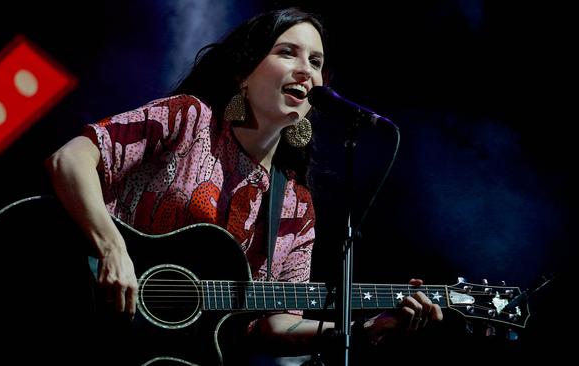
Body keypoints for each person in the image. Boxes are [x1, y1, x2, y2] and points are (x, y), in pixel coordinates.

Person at [46, 7, 443, 365]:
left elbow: (276, 325)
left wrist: (362, 329)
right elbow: (70, 158)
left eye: (316, 61)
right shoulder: (188, 120)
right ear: (243, 74)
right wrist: (112, 248)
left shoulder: (294, 206)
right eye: (288, 52)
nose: (307, 70)